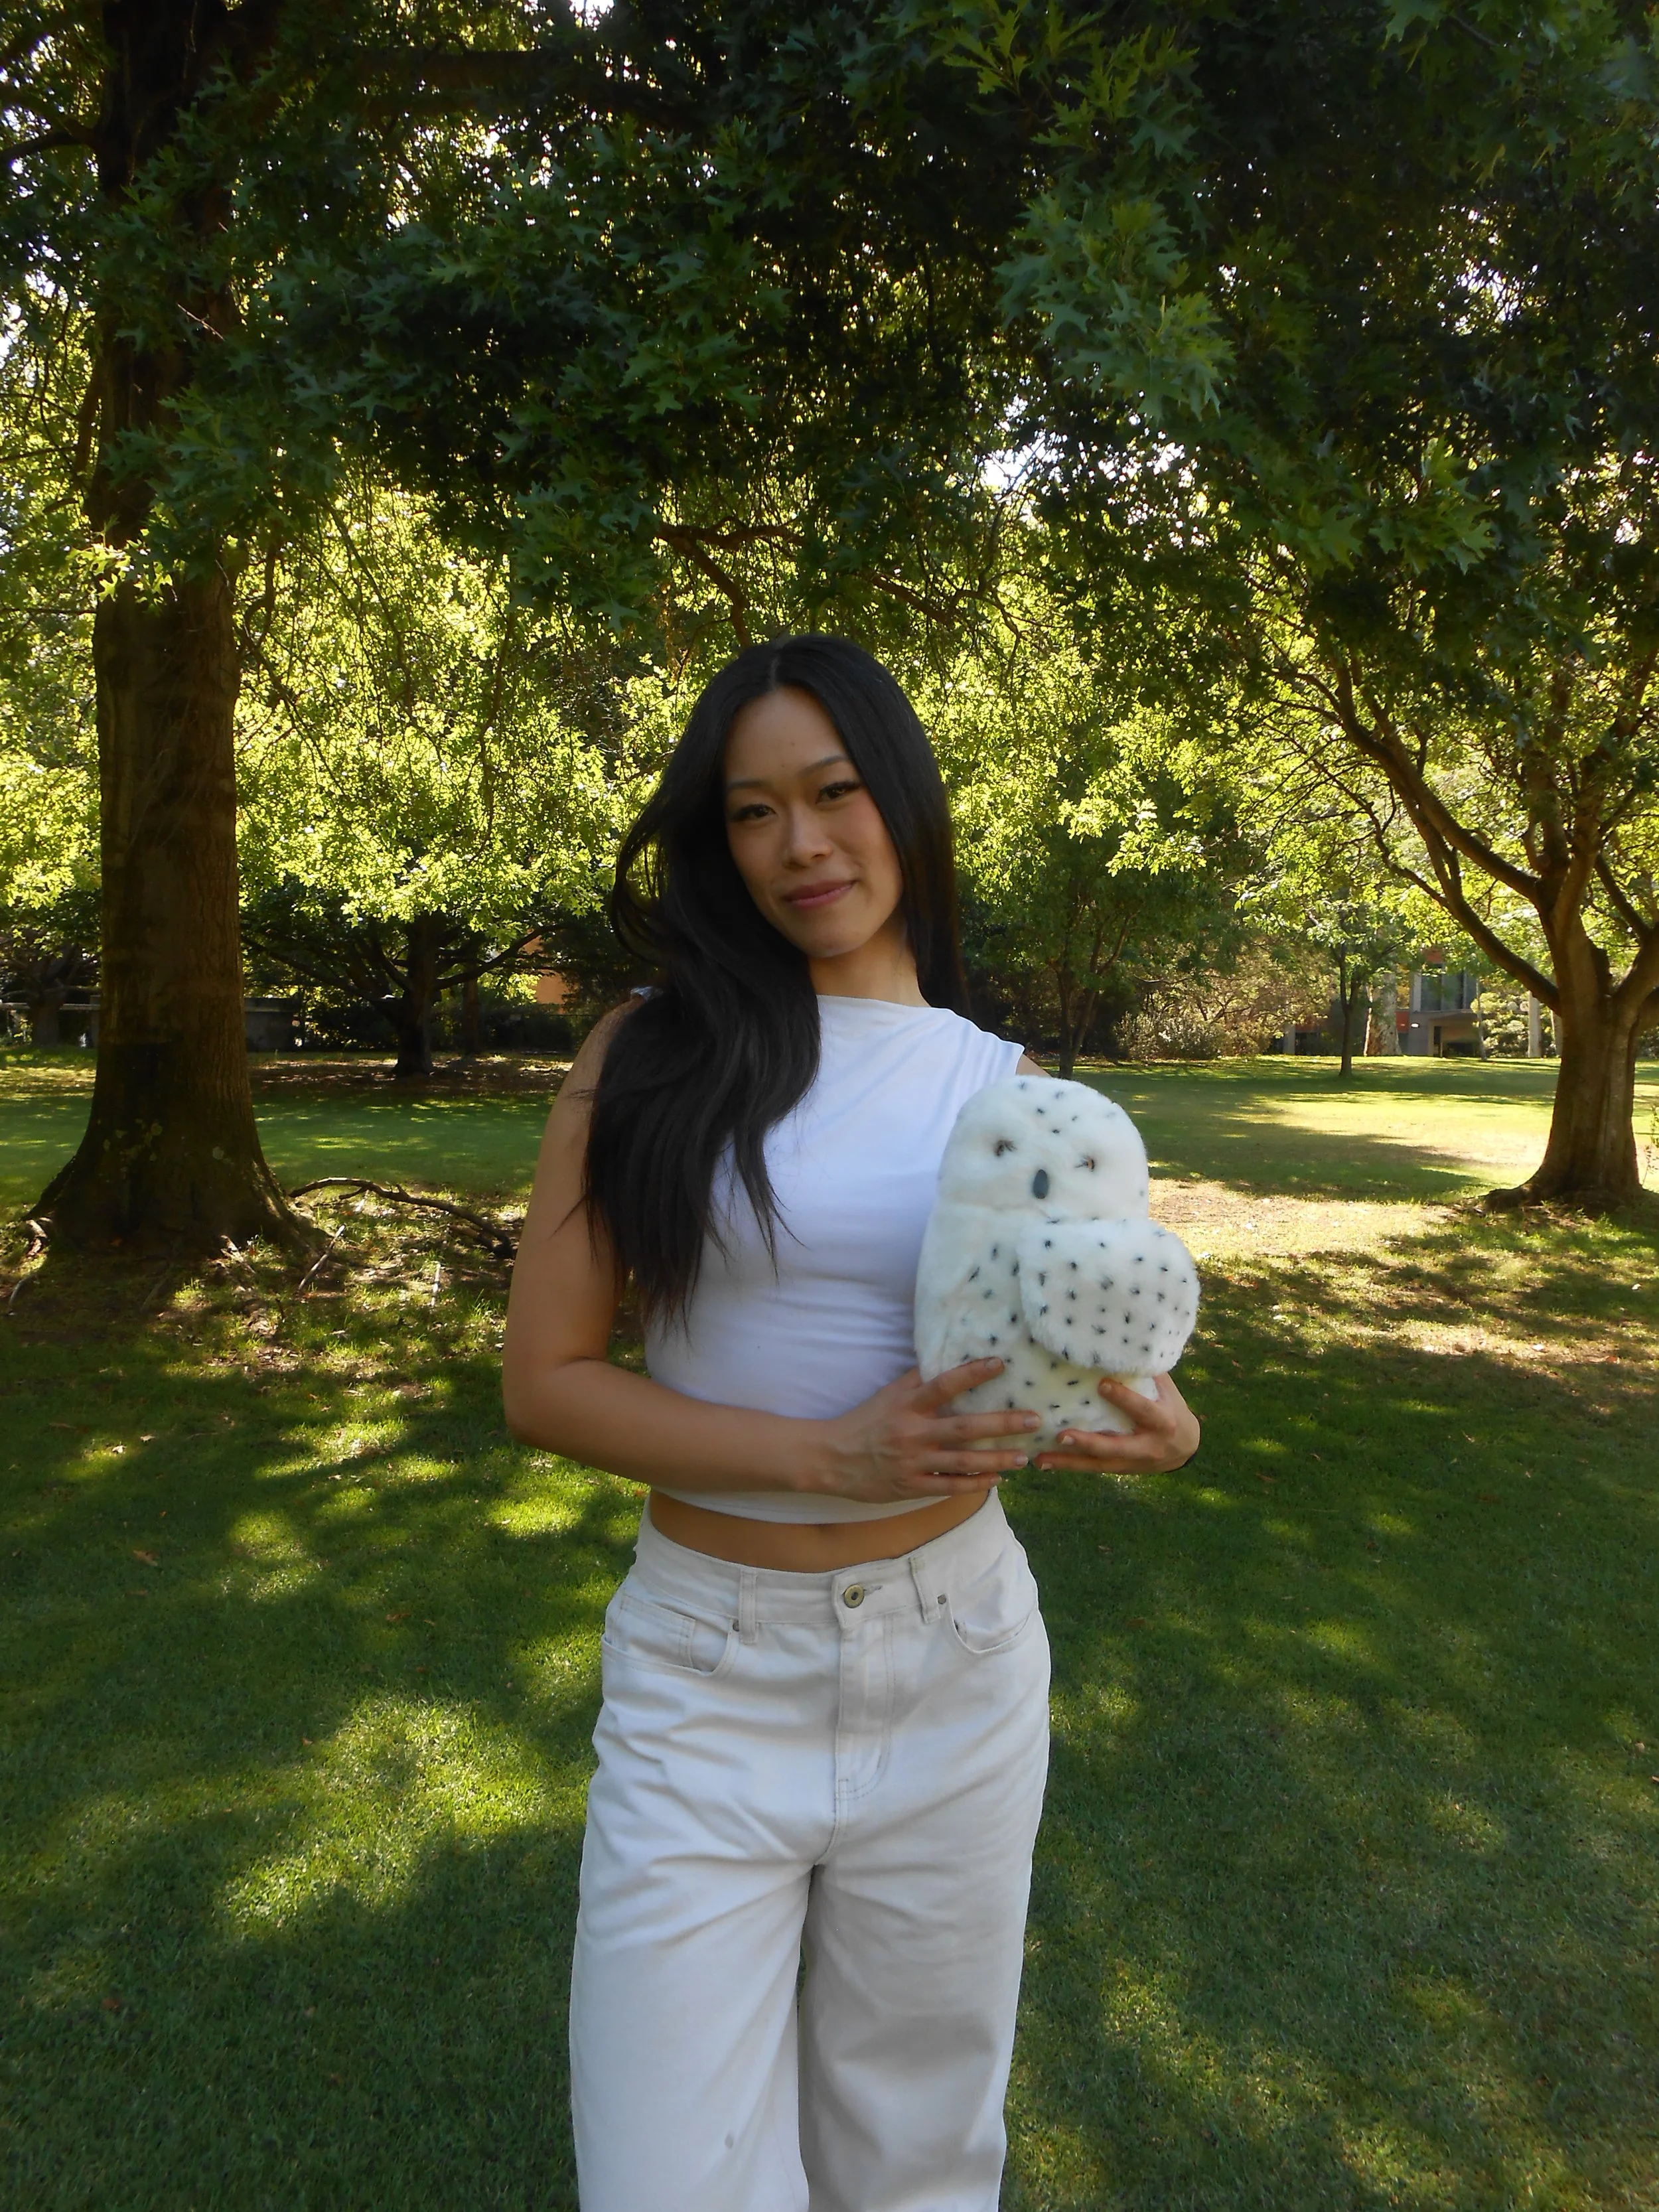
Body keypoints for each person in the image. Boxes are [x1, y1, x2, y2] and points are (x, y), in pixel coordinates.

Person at [502, 635, 1199, 2212]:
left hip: (954, 1660)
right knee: (665, 2174)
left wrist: (1164, 1429)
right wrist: (828, 1456)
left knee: (917, 2153)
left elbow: (1078, 1335)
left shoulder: (1007, 1090)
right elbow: (544, 1379)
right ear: (717, 841)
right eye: (751, 813)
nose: (800, 845)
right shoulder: (650, 1054)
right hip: (704, 1671)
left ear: (902, 799)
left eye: (831, 794)